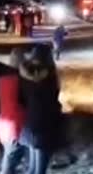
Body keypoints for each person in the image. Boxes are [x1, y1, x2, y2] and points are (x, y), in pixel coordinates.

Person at [19, 44, 63, 174]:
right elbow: (53, 102)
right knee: (39, 170)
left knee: (32, 169)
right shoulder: (49, 79)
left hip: (29, 125)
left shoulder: (24, 76)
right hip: (44, 128)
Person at [0, 48, 26, 174]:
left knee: (9, 156)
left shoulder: (3, 79)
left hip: (4, 124)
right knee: (10, 162)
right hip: (16, 125)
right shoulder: (22, 81)